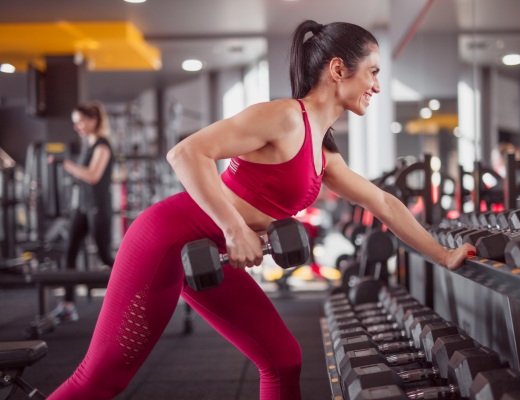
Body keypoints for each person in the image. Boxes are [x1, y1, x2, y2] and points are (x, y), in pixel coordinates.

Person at [48, 20, 475, 400]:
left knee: (283, 359)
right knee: (101, 379)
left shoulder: (323, 151)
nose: (378, 87)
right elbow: (186, 153)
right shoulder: (286, 118)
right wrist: (235, 229)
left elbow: (382, 202)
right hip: (164, 240)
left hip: (207, 253)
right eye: (374, 72)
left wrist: (443, 254)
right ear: (339, 69)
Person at [48, 101, 115, 323]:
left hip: (98, 206)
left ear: (92, 120)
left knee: (105, 255)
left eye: (79, 122)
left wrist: (66, 164)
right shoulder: (89, 143)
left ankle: (140, 292)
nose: (76, 126)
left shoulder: (103, 146)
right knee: (70, 251)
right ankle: (67, 304)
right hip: (83, 206)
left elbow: (93, 176)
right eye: (74, 123)